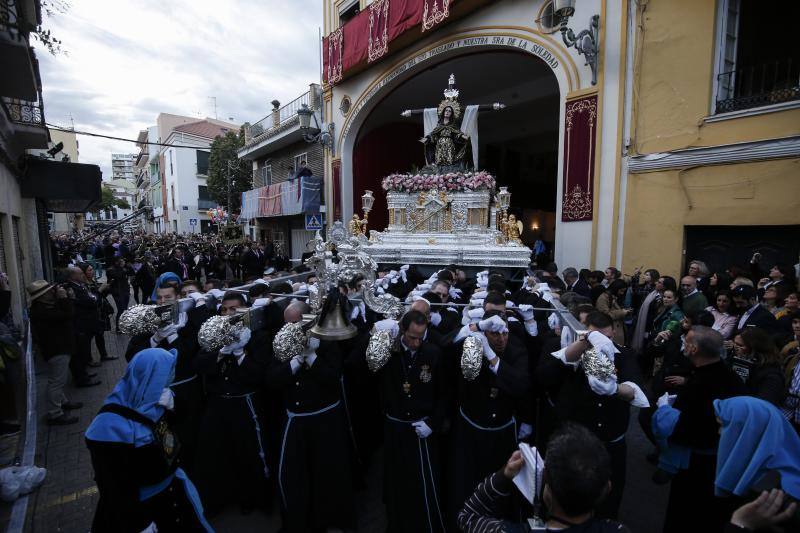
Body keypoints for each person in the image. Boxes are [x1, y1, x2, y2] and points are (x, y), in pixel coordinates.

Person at [84, 347, 213, 532]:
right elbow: (114, 487)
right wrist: (140, 523)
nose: (171, 378)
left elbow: (180, 418)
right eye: (166, 373)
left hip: (173, 492)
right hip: (145, 508)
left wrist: (174, 404)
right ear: (150, 376)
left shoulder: (155, 396)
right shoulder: (108, 427)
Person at [537, 311, 646, 518]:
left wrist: (615, 389)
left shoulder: (624, 355)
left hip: (609, 443)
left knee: (607, 503)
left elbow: (636, 390)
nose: (603, 344)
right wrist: (581, 347)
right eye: (596, 337)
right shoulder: (567, 352)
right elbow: (544, 378)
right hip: (573, 443)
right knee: (565, 499)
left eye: (608, 338)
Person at [360, 309, 449, 532]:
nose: (416, 343)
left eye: (421, 337)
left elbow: (445, 394)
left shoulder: (433, 353)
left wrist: (433, 423)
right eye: (412, 337)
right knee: (396, 481)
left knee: (424, 483)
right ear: (402, 330)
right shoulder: (388, 351)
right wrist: (375, 338)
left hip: (422, 426)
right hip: (395, 426)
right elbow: (361, 370)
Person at [652, 326, 747, 533]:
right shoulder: (729, 376)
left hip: (697, 465)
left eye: (686, 342)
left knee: (686, 516)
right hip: (719, 461)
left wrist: (665, 411)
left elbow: (687, 431)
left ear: (693, 349)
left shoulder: (700, 384)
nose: (683, 345)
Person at [458, 423, 631, 533]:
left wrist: (503, 475)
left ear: (547, 493)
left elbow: (468, 517)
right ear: (606, 489)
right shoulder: (619, 530)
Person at [446, 310, 531, 528]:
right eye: (494, 334)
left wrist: (492, 357)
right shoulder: (472, 347)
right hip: (472, 428)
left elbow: (520, 384)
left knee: (503, 482)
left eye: (505, 333)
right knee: (468, 482)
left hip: (502, 429)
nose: (501, 339)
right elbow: (446, 346)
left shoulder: (516, 350)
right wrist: (475, 328)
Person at [265, 328, 356, 532]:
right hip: (297, 421)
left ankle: (331, 518)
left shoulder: (328, 344)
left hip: (325, 420)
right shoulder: (282, 345)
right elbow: (272, 379)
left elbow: (333, 377)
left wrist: (312, 357)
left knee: (329, 473)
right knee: (293, 475)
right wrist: (297, 361)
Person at [193, 317, 270, 516]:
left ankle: (253, 498)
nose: (229, 315)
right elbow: (199, 363)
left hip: (244, 403)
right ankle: (219, 499)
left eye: (234, 310)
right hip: (218, 403)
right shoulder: (214, 337)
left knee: (249, 452)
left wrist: (239, 353)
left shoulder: (258, 337)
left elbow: (259, 375)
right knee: (215, 453)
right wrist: (222, 352)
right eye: (225, 310)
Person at [28, 280, 84, 425]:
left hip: (60, 346)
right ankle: (55, 413)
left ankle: (62, 401)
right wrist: (65, 299)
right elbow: (67, 315)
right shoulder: (40, 311)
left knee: (59, 378)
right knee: (56, 381)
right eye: (49, 291)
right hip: (56, 349)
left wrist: (66, 299)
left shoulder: (46, 306)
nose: (53, 292)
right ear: (42, 296)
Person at [731, 328, 786, 408]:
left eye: (740, 346)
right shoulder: (733, 361)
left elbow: (762, 406)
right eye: (734, 344)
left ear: (755, 348)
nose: (736, 349)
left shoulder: (771, 375)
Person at [595, 280, 630, 346]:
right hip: (609, 330)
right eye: (621, 291)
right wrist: (622, 312)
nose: (622, 293)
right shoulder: (603, 298)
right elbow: (605, 315)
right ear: (615, 289)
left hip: (615, 329)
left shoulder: (613, 297)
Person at [106, 256, 134, 331]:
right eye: (121, 261)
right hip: (117, 292)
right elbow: (117, 276)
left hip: (125, 291)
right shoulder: (110, 269)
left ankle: (123, 324)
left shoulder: (122, 268)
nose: (123, 263)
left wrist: (129, 266)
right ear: (116, 262)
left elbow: (132, 273)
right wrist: (122, 267)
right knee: (121, 309)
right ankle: (118, 328)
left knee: (124, 309)